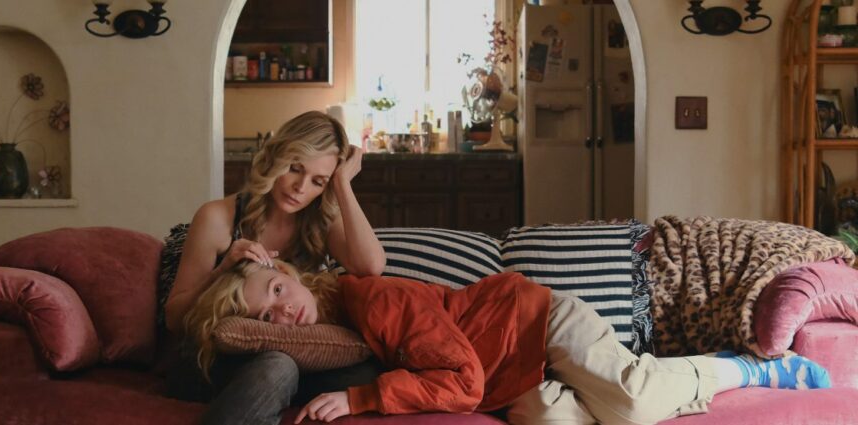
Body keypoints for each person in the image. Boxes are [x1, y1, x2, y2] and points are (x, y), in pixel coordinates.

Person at [186, 260, 833, 425]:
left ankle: (745, 368)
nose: (283, 311)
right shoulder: (330, 340)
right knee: (552, 418)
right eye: (267, 316)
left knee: (634, 401)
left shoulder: (373, 300)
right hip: (509, 377)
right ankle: (669, 381)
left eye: (277, 289)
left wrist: (362, 399)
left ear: (290, 271)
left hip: (537, 322)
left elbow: (461, 381)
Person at [162, 111, 387, 425]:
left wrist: (342, 185)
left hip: (298, 355)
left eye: (317, 181)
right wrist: (223, 269)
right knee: (278, 366)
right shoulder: (218, 218)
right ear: (276, 157)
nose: (300, 187)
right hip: (214, 357)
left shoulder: (319, 219)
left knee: (368, 369)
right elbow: (174, 319)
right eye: (295, 168)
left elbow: (371, 266)